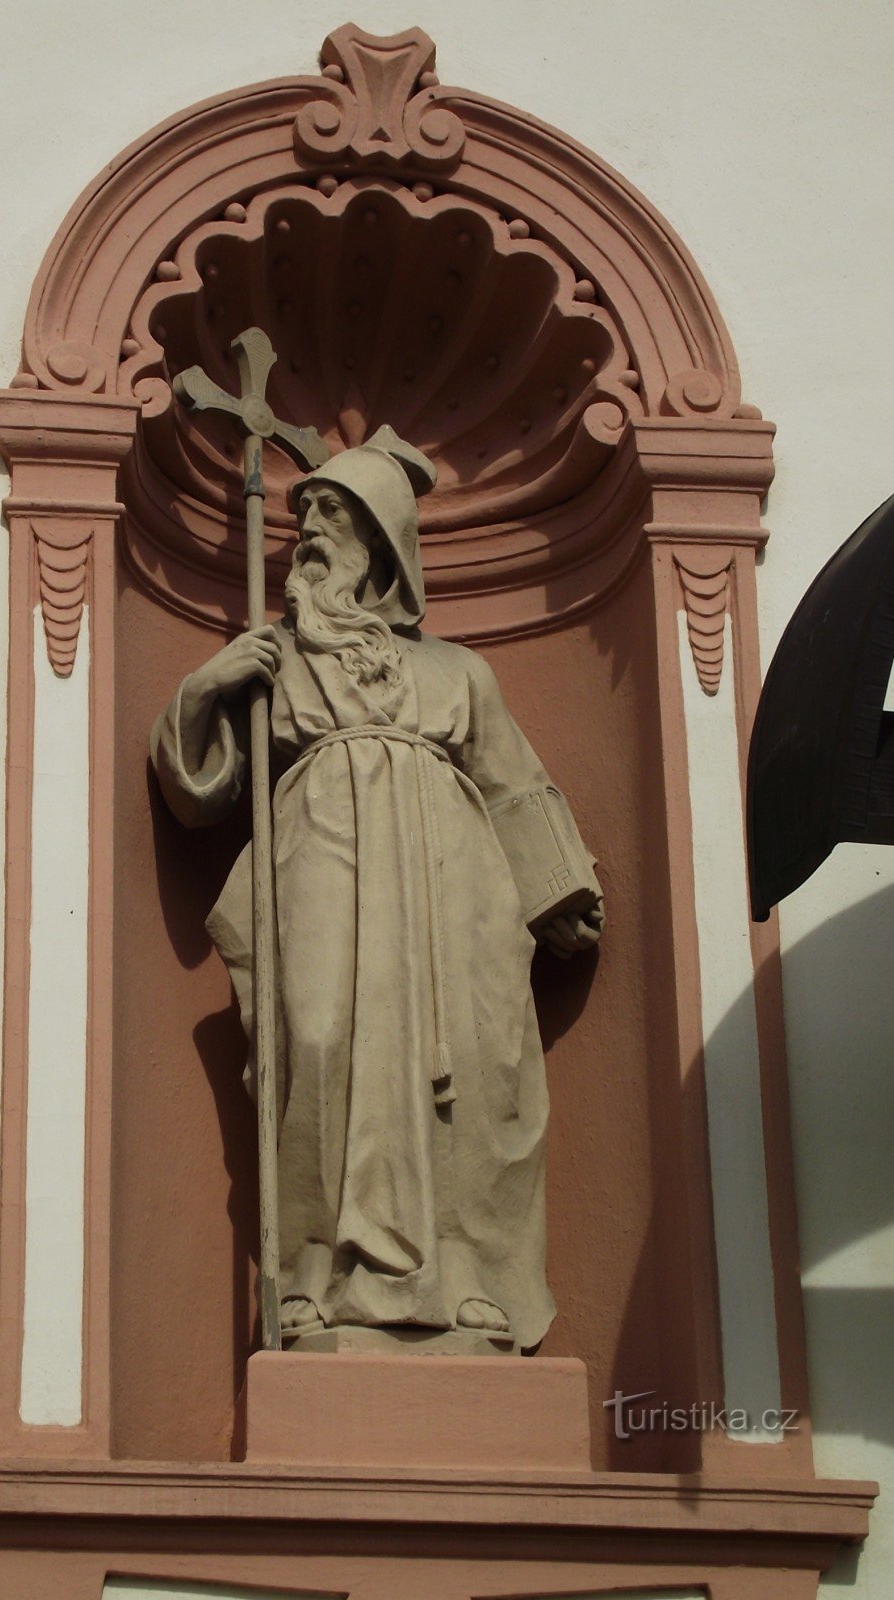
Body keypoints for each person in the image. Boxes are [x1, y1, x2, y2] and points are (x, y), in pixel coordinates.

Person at [151, 426, 603, 1350]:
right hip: (321, 856)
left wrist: (558, 890)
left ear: (381, 539)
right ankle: (314, 1273)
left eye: (331, 514)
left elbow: (510, 781)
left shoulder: (457, 670)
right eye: (304, 516)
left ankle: (463, 1270)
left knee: (468, 1062)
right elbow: (200, 796)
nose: (309, 534)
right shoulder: (273, 661)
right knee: (316, 1041)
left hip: (449, 876)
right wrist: (207, 687)